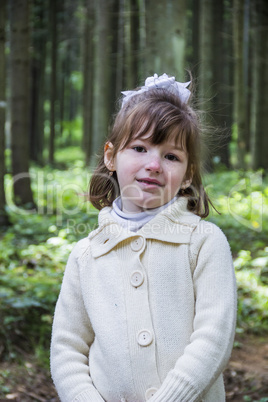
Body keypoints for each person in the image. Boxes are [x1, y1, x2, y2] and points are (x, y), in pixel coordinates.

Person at [50, 73, 237, 402]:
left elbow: (214, 338)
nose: (153, 164)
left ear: (187, 174)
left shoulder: (204, 242)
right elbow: (68, 349)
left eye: (171, 156)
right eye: (139, 148)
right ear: (111, 156)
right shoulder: (86, 255)